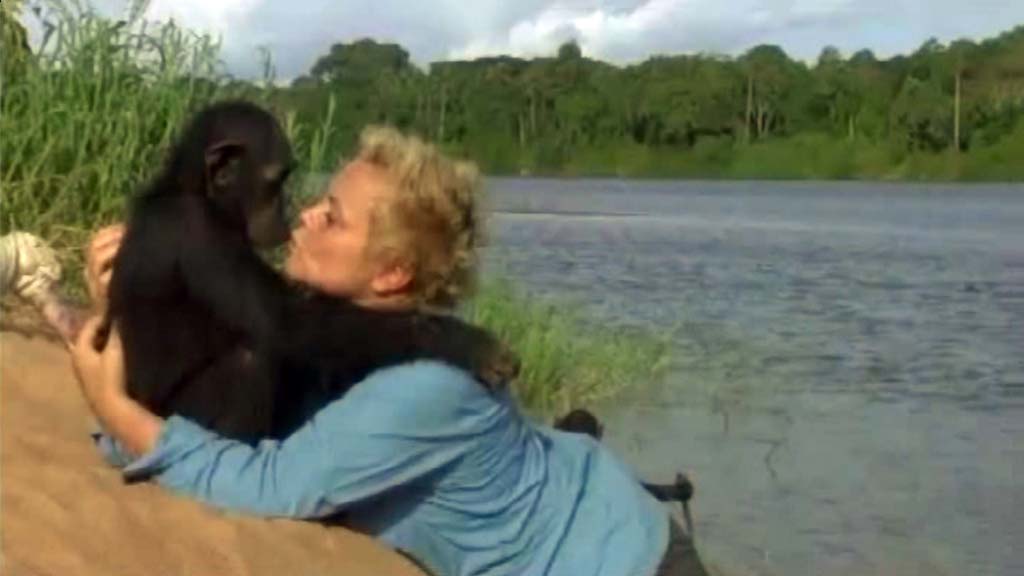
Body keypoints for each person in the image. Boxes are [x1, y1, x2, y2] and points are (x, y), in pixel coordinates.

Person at [68, 125, 708, 576]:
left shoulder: (426, 386)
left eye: (335, 217)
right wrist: (125, 308)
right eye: (321, 201)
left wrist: (109, 402)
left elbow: (269, 486)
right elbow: (219, 411)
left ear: (392, 274)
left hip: (626, 561)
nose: (307, 216)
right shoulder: (329, 328)